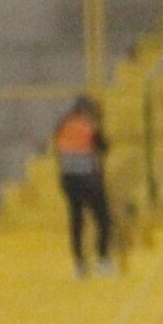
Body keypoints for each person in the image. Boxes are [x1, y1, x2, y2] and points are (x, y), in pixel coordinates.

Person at [53, 97, 115, 279]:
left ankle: (79, 265)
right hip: (89, 179)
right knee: (103, 219)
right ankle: (102, 260)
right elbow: (104, 146)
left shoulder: (63, 126)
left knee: (76, 221)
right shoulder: (90, 126)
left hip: (68, 180)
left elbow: (59, 151)